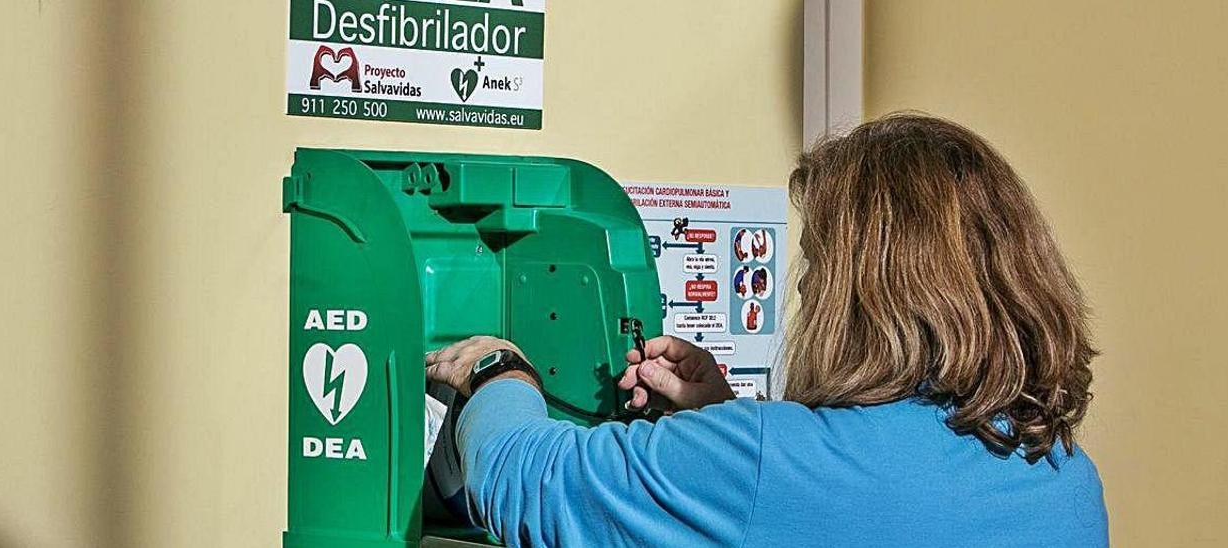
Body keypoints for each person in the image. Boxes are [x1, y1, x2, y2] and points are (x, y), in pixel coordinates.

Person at [425, 114, 1108, 547]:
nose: (806, 287)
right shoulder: (1062, 476)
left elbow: (531, 484)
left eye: (817, 264)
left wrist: (497, 372)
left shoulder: (770, 463)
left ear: (864, 293)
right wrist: (723, 419)